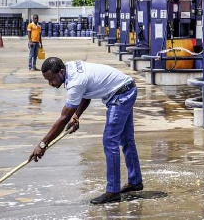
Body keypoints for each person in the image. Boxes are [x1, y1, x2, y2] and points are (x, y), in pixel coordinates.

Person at [29, 57, 143, 204]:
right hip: (127, 88)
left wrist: (43, 144)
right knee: (126, 139)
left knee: (110, 141)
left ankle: (113, 191)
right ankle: (135, 181)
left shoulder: (76, 81)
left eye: (51, 79)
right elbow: (86, 95)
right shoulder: (70, 68)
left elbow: (64, 118)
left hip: (121, 96)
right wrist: (76, 116)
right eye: (47, 80)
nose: (50, 84)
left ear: (61, 72)